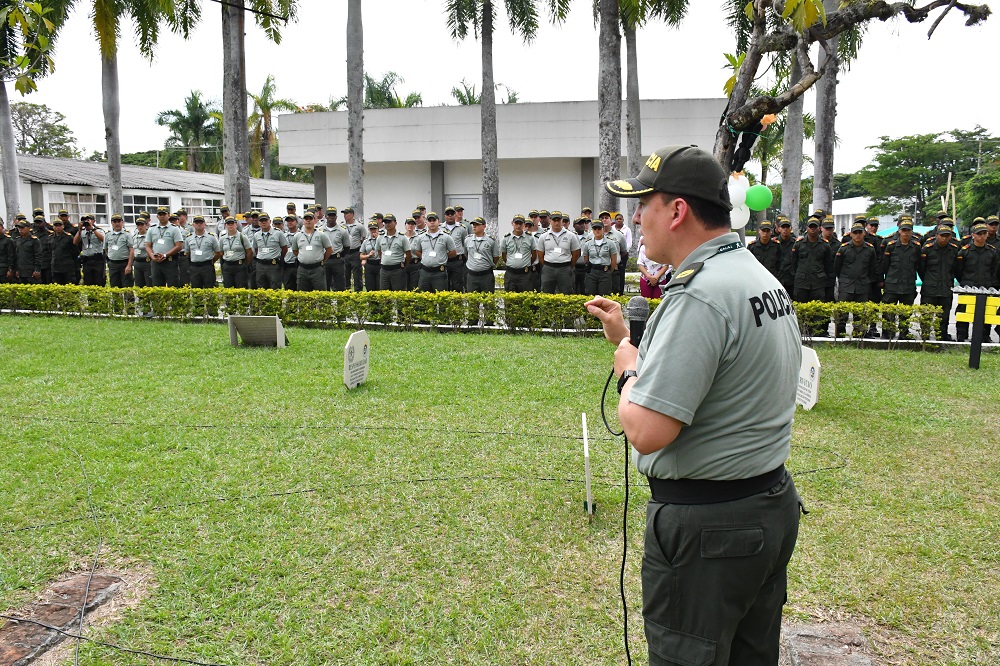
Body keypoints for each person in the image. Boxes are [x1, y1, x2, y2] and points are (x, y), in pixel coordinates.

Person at [586, 144, 802, 666]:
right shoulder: (753, 277)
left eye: (644, 203)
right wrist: (627, 335)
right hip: (765, 505)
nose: (636, 217)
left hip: (710, 531)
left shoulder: (701, 295)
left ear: (677, 210)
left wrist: (628, 368)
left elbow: (647, 430)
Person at [954, 220, 1000, 342]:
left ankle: (984, 336)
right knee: (964, 310)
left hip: (985, 286)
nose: (982, 236)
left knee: (985, 312)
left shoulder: (992, 251)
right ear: (973, 235)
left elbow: (994, 269)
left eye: (984, 233)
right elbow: (958, 270)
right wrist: (965, 282)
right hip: (968, 287)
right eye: (979, 233)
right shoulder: (964, 251)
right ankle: (961, 335)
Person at [833, 222, 880, 338]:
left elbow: (872, 268)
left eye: (860, 232)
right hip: (846, 285)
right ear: (851, 234)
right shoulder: (843, 249)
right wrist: (844, 280)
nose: (858, 235)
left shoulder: (870, 249)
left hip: (862, 285)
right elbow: (836, 267)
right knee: (842, 313)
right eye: (855, 233)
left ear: (864, 233)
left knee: (860, 313)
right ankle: (840, 336)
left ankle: (859, 336)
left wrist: (865, 279)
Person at [880, 217, 922, 339]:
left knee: (906, 312)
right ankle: (888, 333)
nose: (906, 233)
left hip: (908, 285)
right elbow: (885, 265)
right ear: (899, 231)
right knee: (888, 311)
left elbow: (918, 265)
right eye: (903, 230)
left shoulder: (916, 247)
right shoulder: (891, 246)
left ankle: (904, 333)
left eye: (908, 230)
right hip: (892, 284)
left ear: (911, 232)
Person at [918, 224, 960, 341]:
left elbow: (956, 269)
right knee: (927, 314)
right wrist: (928, 281)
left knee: (944, 315)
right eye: (942, 236)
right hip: (930, 289)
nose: (944, 238)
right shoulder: (927, 249)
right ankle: (925, 336)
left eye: (947, 236)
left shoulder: (954, 250)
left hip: (946, 288)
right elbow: (921, 269)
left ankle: (941, 336)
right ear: (936, 236)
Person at [537, 210, 580, 294]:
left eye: (558, 220)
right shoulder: (543, 236)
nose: (556, 223)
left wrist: (569, 266)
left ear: (562, 221)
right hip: (548, 268)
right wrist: (546, 265)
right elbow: (540, 255)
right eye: (554, 220)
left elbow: (576, 254)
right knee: (547, 294)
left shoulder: (571, 236)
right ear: (550, 221)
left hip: (565, 268)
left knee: (567, 294)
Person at [413, 212, 455, 292]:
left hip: (439, 272)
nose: (432, 222)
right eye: (430, 220)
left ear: (438, 222)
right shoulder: (421, 237)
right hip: (425, 272)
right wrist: (425, 257)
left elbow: (453, 252)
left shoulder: (446, 237)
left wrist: (442, 256)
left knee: (441, 298)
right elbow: (417, 251)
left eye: (434, 220)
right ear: (426, 223)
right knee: (423, 297)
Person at [291, 212, 333, 291]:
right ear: (303, 221)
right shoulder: (297, 236)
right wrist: (303, 258)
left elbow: (329, 250)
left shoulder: (321, 235)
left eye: (310, 219)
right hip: (302, 269)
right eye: (306, 219)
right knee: (302, 295)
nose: (308, 221)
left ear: (315, 220)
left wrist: (323, 261)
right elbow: (295, 251)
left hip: (317, 269)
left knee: (321, 294)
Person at [147, 207, 184, 287]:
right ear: (157, 216)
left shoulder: (174, 229)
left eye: (164, 214)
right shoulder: (151, 229)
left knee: (173, 287)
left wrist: (165, 255)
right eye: (160, 214)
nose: (162, 216)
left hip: (170, 261)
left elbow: (179, 246)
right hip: (156, 261)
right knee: (157, 288)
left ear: (168, 215)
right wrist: (152, 256)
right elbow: (147, 246)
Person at [581, 218, 618, 295]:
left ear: (603, 229)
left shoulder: (610, 243)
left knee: (604, 296)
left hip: (604, 272)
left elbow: (614, 261)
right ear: (592, 230)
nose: (597, 231)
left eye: (599, 228)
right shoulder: (588, 244)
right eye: (595, 228)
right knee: (591, 296)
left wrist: (608, 271)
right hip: (592, 272)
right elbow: (585, 259)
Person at [251, 213, 288, 290]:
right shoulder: (256, 235)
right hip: (260, 265)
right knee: (261, 288)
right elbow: (256, 248)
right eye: (261, 221)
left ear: (270, 221)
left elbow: (284, 248)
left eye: (265, 220)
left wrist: (279, 258)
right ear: (258, 223)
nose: (263, 222)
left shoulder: (278, 233)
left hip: (273, 265)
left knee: (275, 287)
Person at [501, 214, 536, 293]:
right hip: (511, 274)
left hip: (525, 274)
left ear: (524, 225)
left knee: (525, 299)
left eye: (520, 224)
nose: (518, 226)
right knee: (510, 299)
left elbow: (534, 254)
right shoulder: (506, 238)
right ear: (512, 223)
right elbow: (504, 255)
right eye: (516, 223)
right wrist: (511, 263)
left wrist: (525, 263)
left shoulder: (530, 237)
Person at [464, 216, 500, 292]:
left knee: (488, 301)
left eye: (477, 224)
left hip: (486, 275)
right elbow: (466, 254)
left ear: (484, 226)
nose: (474, 226)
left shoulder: (491, 240)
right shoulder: (468, 240)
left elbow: (495, 257)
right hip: (472, 276)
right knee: (473, 302)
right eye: (473, 224)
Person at [376, 214, 409, 291]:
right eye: (386, 222)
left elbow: (408, 254)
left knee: (398, 293)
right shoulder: (380, 237)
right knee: (384, 294)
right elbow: (379, 251)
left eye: (389, 222)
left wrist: (404, 265)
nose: (387, 224)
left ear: (395, 223)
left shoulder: (402, 237)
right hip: (384, 270)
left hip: (397, 269)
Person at [187, 216, 221, 288]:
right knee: (196, 290)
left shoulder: (211, 237)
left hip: (207, 266)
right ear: (193, 225)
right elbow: (187, 253)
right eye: (196, 222)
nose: (199, 224)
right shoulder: (189, 238)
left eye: (201, 222)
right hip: (194, 267)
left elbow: (218, 253)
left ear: (205, 224)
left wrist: (212, 261)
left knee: (209, 289)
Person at [219, 217, 253, 288]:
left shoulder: (242, 237)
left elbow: (249, 252)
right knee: (228, 289)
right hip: (227, 266)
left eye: (232, 223)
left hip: (240, 266)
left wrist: (245, 264)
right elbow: (221, 252)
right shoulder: (222, 238)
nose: (230, 225)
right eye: (228, 224)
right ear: (225, 225)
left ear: (236, 225)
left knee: (241, 289)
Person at [74, 214, 106, 286]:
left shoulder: (99, 230)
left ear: (94, 221)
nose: (86, 222)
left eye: (88, 220)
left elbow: (103, 239)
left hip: (98, 260)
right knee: (88, 282)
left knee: (99, 282)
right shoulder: (82, 231)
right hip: (87, 260)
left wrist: (92, 228)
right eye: (84, 220)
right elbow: (75, 242)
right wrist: (79, 229)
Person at [321, 208, 347, 291]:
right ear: (325, 216)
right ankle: (325, 303)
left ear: (336, 217)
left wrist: (340, 256)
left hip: (337, 260)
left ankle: (341, 303)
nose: (331, 218)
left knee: (340, 285)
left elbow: (347, 247)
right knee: (325, 285)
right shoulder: (320, 230)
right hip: (325, 260)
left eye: (333, 216)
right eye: (329, 215)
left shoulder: (342, 230)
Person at [443, 206, 467, 291]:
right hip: (444, 261)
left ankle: (458, 304)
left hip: (457, 261)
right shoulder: (440, 228)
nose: (450, 216)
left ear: (455, 215)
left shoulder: (462, 228)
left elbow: (465, 244)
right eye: (447, 214)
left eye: (452, 214)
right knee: (445, 285)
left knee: (458, 285)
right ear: (445, 216)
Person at [104, 214, 132, 287]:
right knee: (114, 286)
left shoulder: (127, 234)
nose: (117, 223)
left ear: (122, 222)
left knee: (127, 286)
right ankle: (116, 299)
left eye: (119, 221)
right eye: (114, 221)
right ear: (111, 223)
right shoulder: (107, 235)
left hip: (124, 263)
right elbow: (106, 249)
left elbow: (131, 250)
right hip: (113, 264)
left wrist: (129, 265)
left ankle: (129, 299)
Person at [341, 206, 365, 291]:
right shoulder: (341, 225)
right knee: (345, 274)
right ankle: (347, 291)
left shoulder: (359, 226)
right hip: (345, 253)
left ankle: (358, 292)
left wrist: (361, 251)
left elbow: (363, 239)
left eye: (347, 213)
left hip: (355, 252)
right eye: (344, 214)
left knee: (357, 275)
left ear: (352, 214)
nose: (345, 215)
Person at [49, 218, 79, 284]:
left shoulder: (69, 237)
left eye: (59, 225)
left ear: (63, 226)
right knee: (57, 287)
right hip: (55, 267)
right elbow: (50, 251)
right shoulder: (51, 237)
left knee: (69, 286)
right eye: (56, 226)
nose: (58, 228)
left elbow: (75, 251)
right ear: (53, 227)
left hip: (67, 266)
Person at [128, 217, 152, 287]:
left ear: (146, 225)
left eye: (142, 225)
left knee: (149, 284)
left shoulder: (149, 236)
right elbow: (132, 250)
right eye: (138, 225)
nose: (140, 227)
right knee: (138, 284)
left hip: (147, 262)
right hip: (137, 262)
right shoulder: (134, 237)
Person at [360, 220, 382, 291]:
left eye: (375, 229)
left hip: (379, 264)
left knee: (379, 286)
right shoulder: (366, 241)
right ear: (369, 230)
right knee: (370, 287)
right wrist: (368, 255)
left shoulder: (382, 239)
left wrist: (378, 238)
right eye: (371, 229)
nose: (373, 231)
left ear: (378, 229)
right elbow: (361, 256)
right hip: (370, 265)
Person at [281, 215, 300, 290]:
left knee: (300, 288)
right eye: (288, 221)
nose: (290, 223)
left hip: (298, 266)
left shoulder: (302, 235)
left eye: (292, 221)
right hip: (287, 266)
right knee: (288, 288)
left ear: (296, 222)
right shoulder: (283, 236)